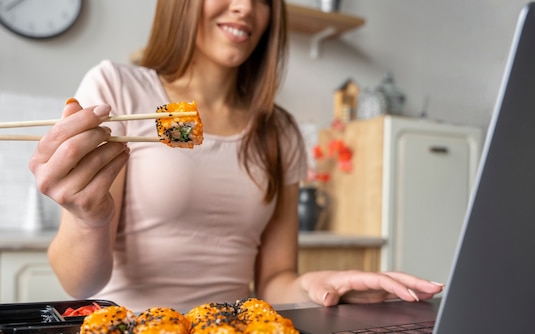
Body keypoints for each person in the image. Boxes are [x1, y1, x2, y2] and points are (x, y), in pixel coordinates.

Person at [29, 0, 443, 313]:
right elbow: (78, 284)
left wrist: (319, 285)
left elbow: (274, 284)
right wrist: (88, 218)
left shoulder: (279, 131)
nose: (246, 7)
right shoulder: (120, 90)